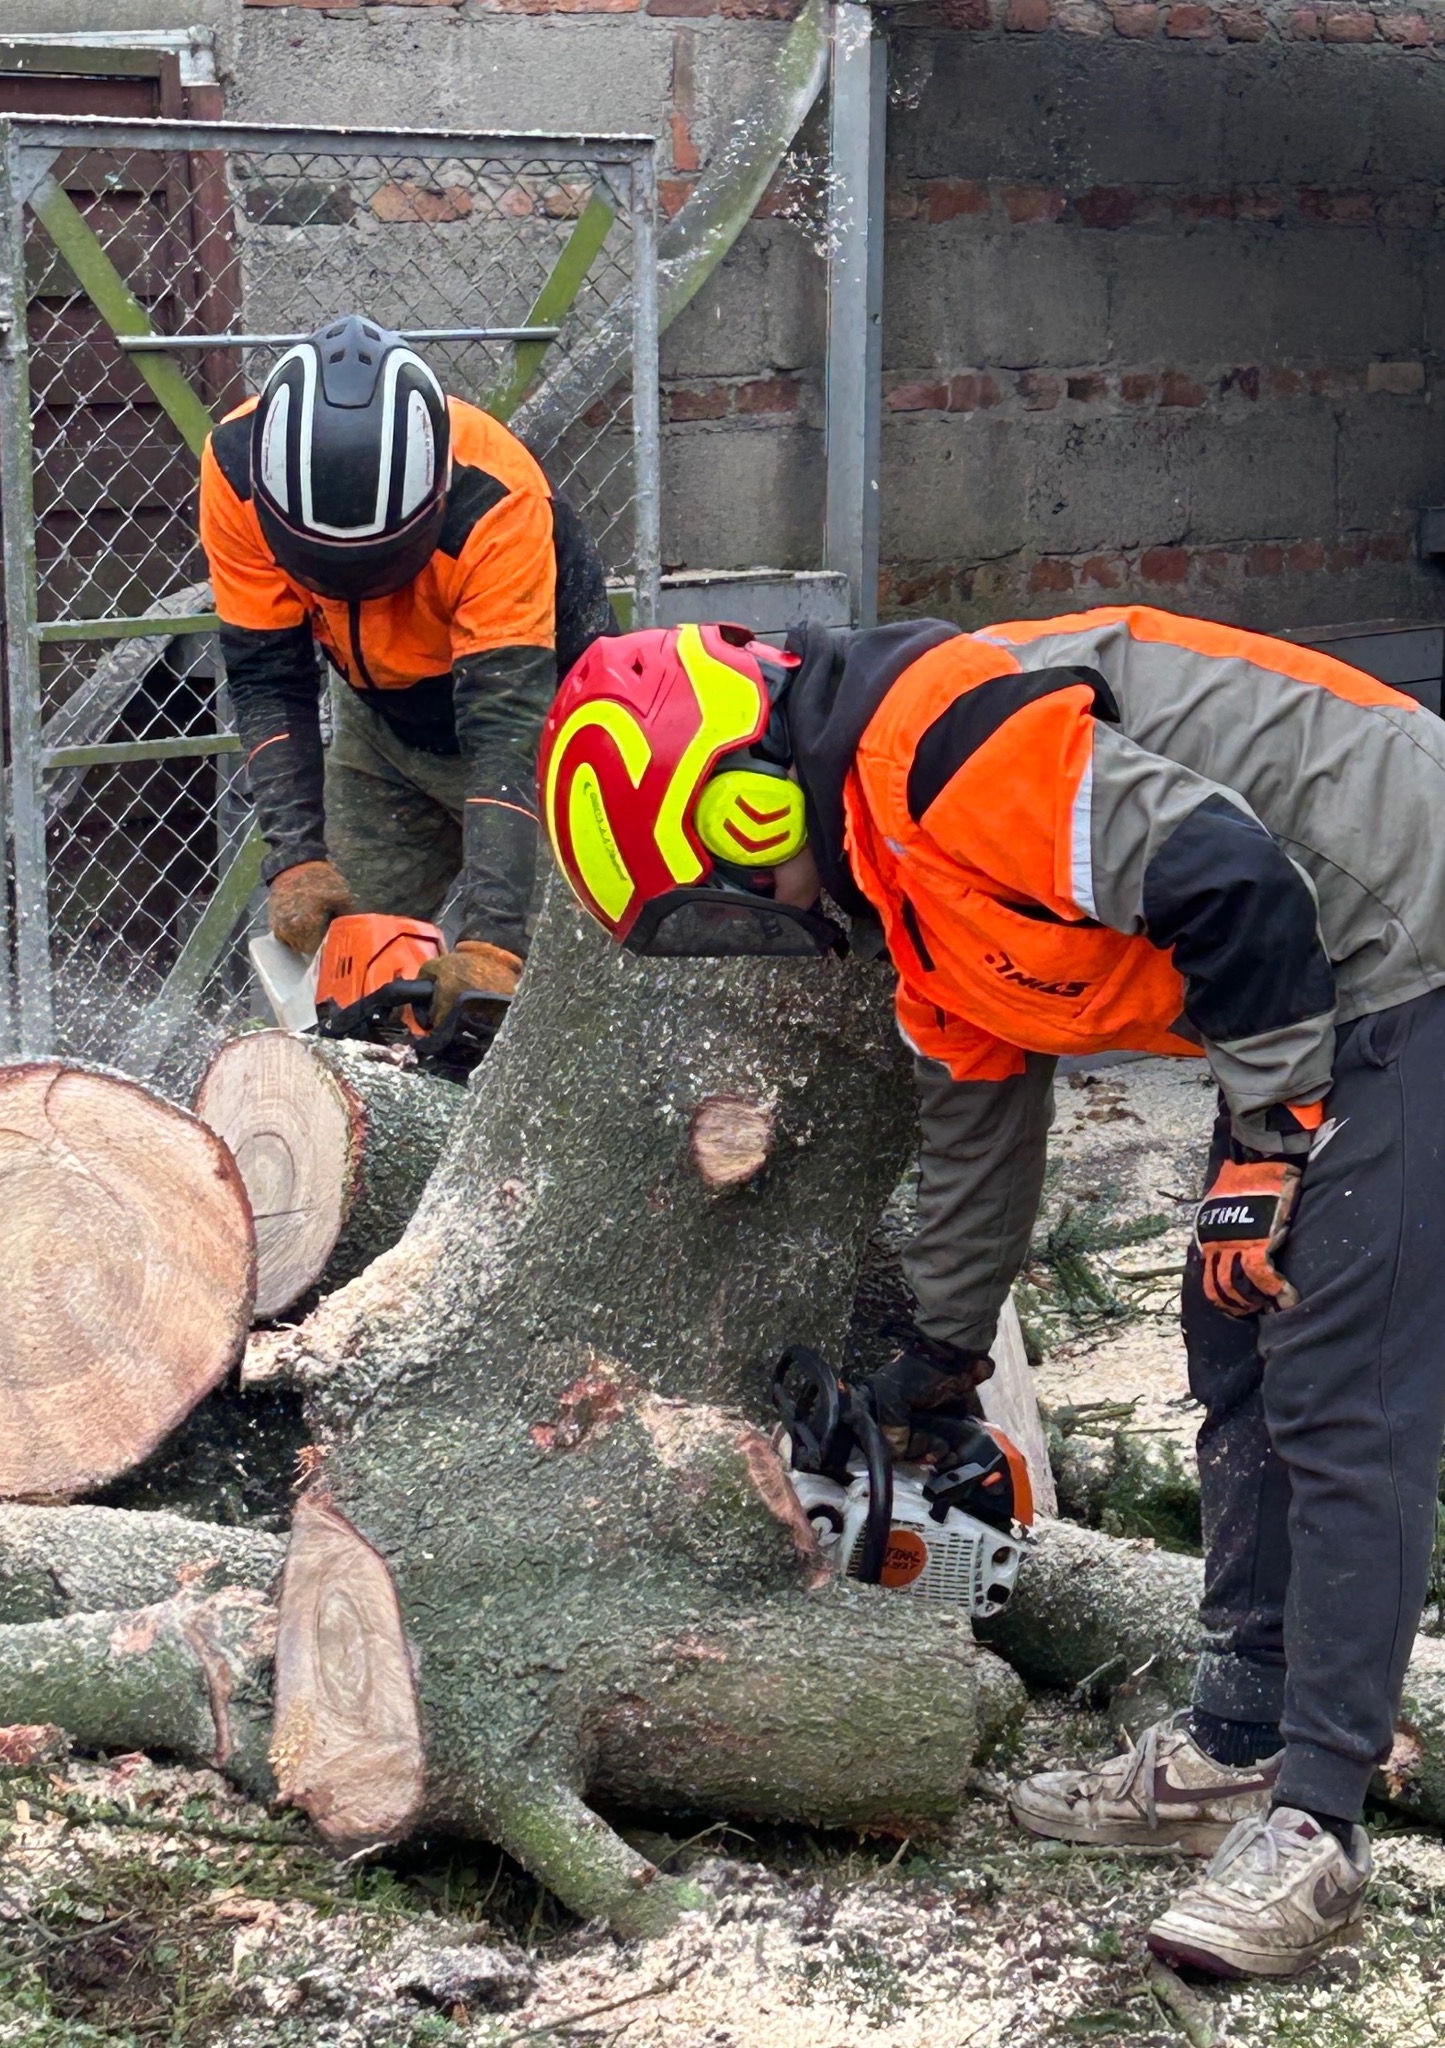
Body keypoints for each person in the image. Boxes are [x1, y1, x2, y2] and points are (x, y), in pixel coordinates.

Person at [535, 607, 1445, 1979]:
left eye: (730, 891)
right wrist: (938, 1360)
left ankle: (1315, 1824)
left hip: (1407, 930)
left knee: (1332, 1372)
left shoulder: (943, 749)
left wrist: (1267, 1141)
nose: (756, 926)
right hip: (1319, 972)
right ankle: (1234, 1742)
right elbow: (974, 1114)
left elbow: (1225, 875)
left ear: (747, 793)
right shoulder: (895, 883)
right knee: (1236, 1343)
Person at [200, 313, 615, 1018]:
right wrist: (295, 854)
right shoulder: (237, 467)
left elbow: (505, 727)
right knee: (338, 986)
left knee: (554, 1007)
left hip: (547, 743)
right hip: (382, 731)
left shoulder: (497, 499)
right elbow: (268, 676)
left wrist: (493, 941)